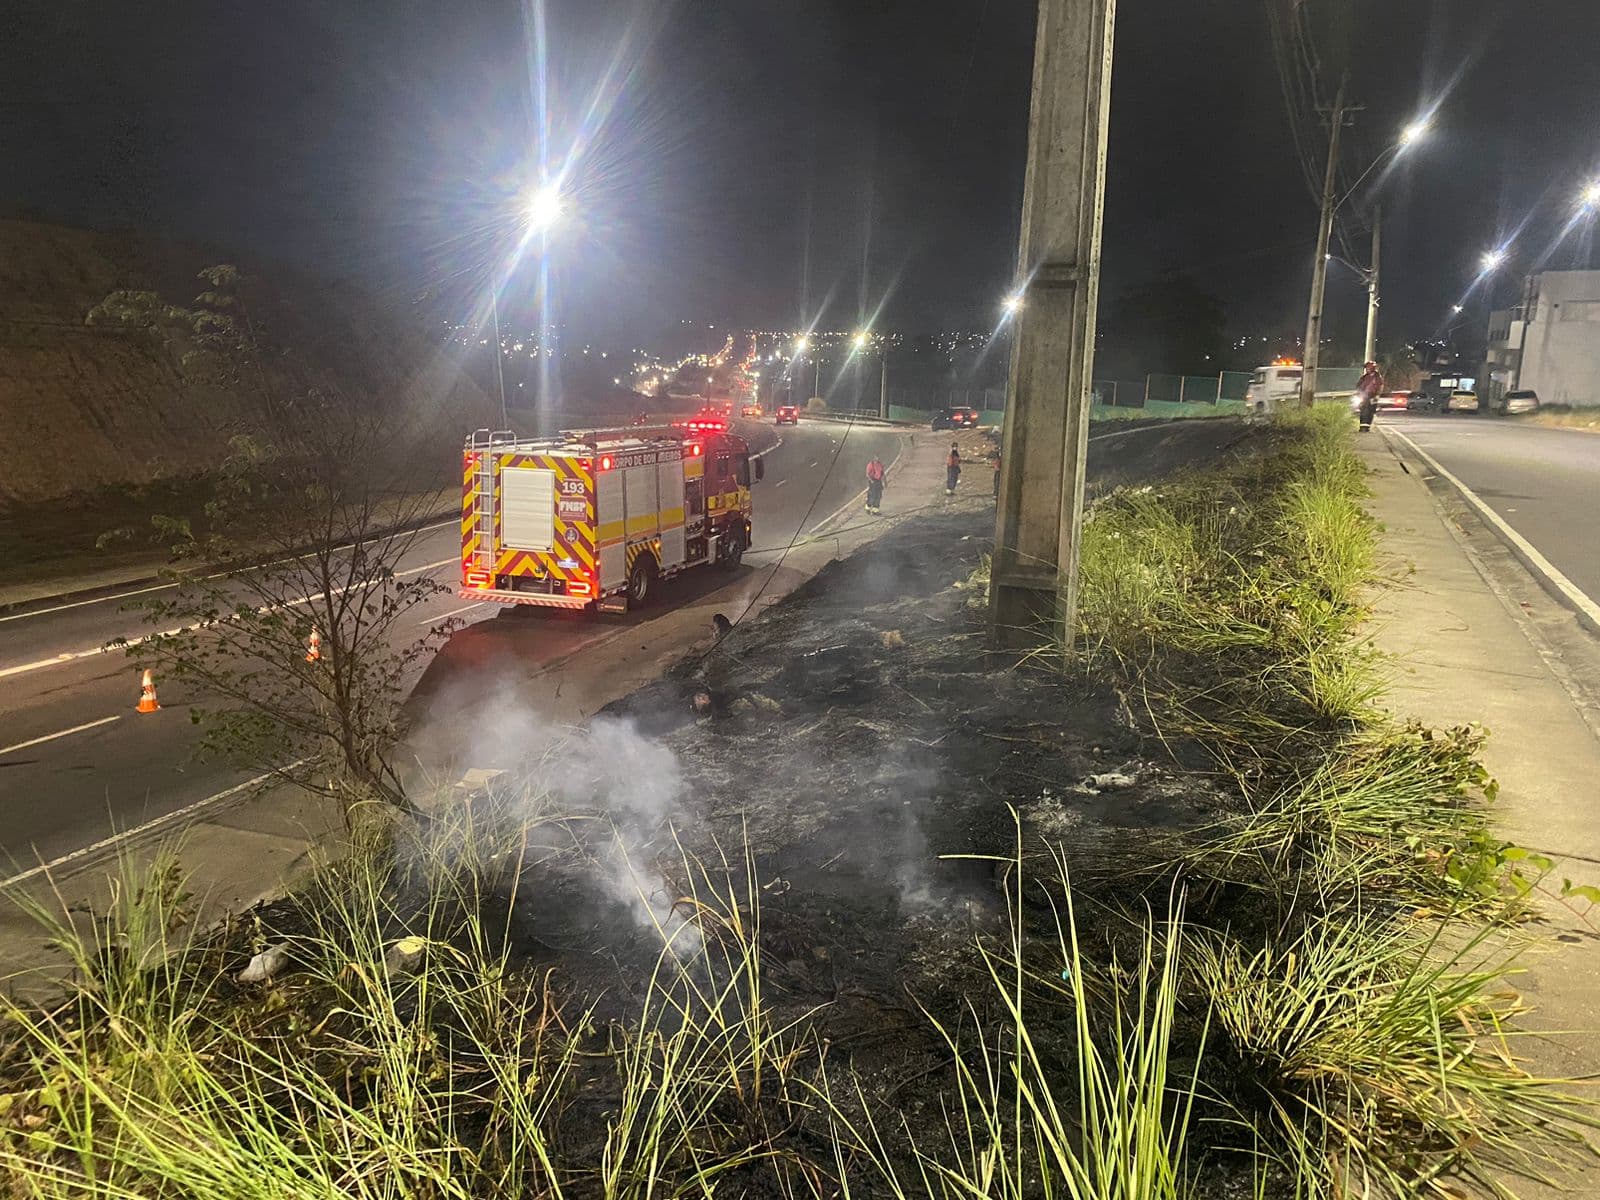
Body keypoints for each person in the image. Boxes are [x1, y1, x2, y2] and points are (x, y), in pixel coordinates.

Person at [1355, 360, 1384, 431]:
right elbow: (1359, 386)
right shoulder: (1364, 377)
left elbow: (1380, 387)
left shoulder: (1377, 378)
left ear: (1372, 368)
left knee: (1370, 411)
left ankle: (1367, 427)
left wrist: (1377, 396)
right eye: (1366, 368)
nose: (1366, 369)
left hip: (1373, 396)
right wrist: (1358, 393)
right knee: (1363, 411)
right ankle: (1362, 427)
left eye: (1368, 368)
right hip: (1364, 396)